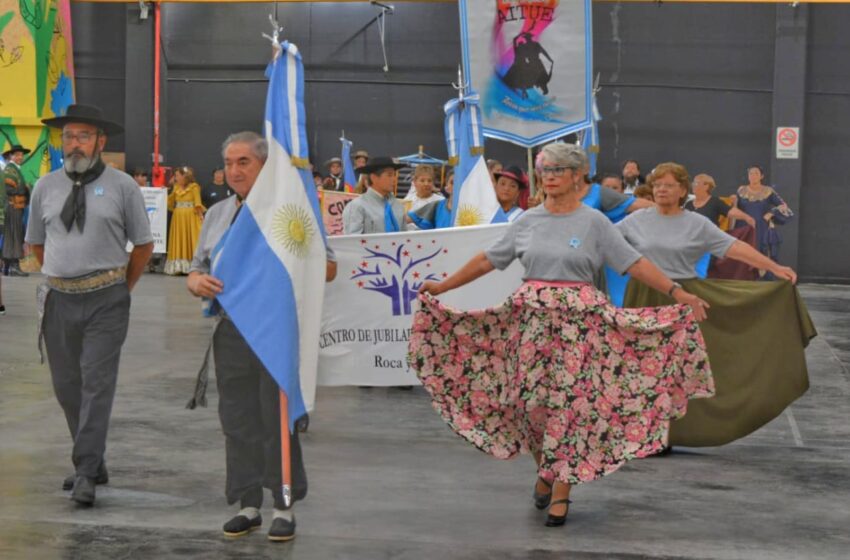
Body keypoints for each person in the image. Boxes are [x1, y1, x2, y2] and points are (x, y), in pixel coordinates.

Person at [409, 142, 715, 528]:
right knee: (530, 406)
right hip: (531, 326)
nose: (549, 177)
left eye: (557, 170)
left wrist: (678, 292)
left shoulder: (594, 222)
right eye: (544, 170)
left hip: (579, 329)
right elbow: (490, 259)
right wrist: (444, 286)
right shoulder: (527, 220)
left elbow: (633, 262)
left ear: (576, 177)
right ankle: (546, 469)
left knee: (570, 408)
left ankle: (562, 491)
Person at [187, 131, 337, 542]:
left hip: (276, 333)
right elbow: (197, 267)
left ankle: (283, 505)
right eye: (229, 163)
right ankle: (248, 503)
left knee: (277, 420)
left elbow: (328, 268)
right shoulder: (218, 214)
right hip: (230, 332)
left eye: (245, 163)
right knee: (237, 421)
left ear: (265, 166)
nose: (234, 171)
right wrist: (196, 281)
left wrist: (296, 261)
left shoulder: (291, 211)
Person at [618, 162, 815, 447]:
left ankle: (672, 433)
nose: (661, 189)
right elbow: (603, 241)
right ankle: (644, 434)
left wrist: (773, 266)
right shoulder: (635, 220)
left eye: (669, 185)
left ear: (683, 190)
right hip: (643, 298)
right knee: (640, 367)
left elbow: (734, 248)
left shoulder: (697, 223)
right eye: (657, 184)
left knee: (677, 369)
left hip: (683, 300)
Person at [26, 104, 154, 505]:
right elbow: (36, 243)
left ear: (101, 141)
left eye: (83, 136)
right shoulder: (45, 186)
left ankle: (84, 470)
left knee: (97, 386)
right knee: (68, 388)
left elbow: (144, 245)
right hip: (58, 300)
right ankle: (94, 461)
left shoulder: (123, 187)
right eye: (68, 137)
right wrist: (63, 275)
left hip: (107, 301)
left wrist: (120, 288)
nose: (74, 144)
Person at [734, 166, 793, 268]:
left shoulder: (768, 191)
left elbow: (783, 206)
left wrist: (772, 212)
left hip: (761, 228)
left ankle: (761, 281)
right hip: (743, 227)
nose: (753, 176)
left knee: (760, 254)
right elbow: (734, 208)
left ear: (761, 176)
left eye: (756, 173)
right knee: (743, 254)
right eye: (750, 173)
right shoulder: (741, 190)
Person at [342, 156, 406, 234]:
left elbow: (404, 238)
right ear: (374, 178)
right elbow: (352, 242)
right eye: (389, 175)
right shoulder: (357, 206)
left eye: (394, 175)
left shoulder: (398, 206)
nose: (394, 179)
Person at [164, 166, 204, 275]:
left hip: (190, 217)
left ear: (184, 176)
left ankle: (193, 266)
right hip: (178, 218)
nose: (175, 178)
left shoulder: (194, 187)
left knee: (192, 238)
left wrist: (201, 216)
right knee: (179, 238)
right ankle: (178, 266)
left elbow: (197, 202)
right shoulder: (176, 187)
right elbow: (170, 202)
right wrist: (169, 187)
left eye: (177, 175)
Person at [2, 144, 32, 276]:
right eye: (17, 154)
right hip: (13, 206)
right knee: (15, 235)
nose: (20, 157)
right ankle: (14, 267)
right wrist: (25, 189)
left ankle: (7, 267)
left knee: (11, 236)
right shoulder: (10, 170)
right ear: (10, 156)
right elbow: (8, 189)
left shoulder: (15, 169)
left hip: (15, 207)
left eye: (21, 154)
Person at [686, 173, 754, 229]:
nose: (693, 185)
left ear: (706, 186)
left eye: (696, 183)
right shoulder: (688, 204)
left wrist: (747, 217)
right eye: (693, 183)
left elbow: (731, 211)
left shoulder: (715, 202)